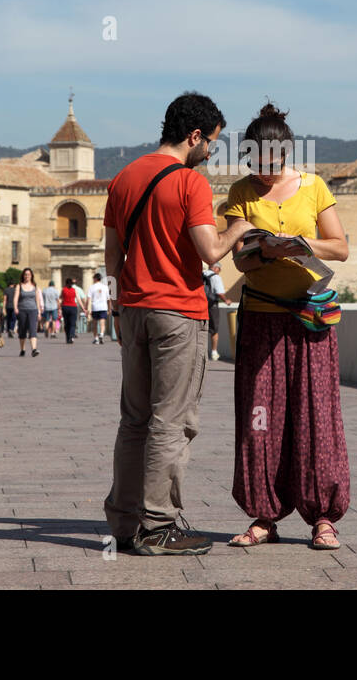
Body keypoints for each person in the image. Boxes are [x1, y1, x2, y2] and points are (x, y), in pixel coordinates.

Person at [102, 91, 255, 556]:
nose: (211, 152)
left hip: (133, 309)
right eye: (211, 142)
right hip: (178, 312)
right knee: (172, 422)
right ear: (193, 136)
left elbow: (112, 252)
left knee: (134, 420)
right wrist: (240, 228)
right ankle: (158, 525)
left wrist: (116, 303)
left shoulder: (125, 177)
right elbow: (210, 252)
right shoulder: (191, 184)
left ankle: (125, 522)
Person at [222, 103, 351, 550]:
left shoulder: (313, 187)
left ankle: (323, 518)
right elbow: (236, 255)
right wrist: (263, 254)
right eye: (253, 161)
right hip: (260, 317)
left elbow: (340, 248)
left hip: (310, 320)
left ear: (284, 153)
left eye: (268, 162)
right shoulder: (241, 192)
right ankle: (264, 516)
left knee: (317, 417)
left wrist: (301, 244)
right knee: (260, 419)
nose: (261, 170)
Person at [203, 262, 230, 361]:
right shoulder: (216, 277)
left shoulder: (202, 274)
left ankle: (201, 351)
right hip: (212, 305)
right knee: (214, 330)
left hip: (201, 305)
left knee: (202, 329)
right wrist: (226, 300)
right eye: (219, 269)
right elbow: (219, 292)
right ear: (216, 268)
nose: (220, 271)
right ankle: (214, 352)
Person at [15, 267, 42, 357]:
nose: (27, 276)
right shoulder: (19, 286)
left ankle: (34, 349)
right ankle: (22, 349)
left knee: (32, 329)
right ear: (23, 276)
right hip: (22, 310)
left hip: (33, 310)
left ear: (31, 276)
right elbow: (16, 297)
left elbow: (37, 299)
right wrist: (15, 307)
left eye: (29, 275)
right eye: (25, 274)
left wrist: (39, 311)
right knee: (22, 330)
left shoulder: (35, 286)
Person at [88, 272, 110, 344]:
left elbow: (89, 298)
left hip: (95, 307)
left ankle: (96, 338)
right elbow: (108, 299)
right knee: (102, 322)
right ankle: (101, 334)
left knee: (95, 323)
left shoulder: (92, 287)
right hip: (103, 307)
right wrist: (109, 308)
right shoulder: (105, 287)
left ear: (95, 279)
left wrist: (88, 308)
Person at [59, 277, 80, 344]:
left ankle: (68, 338)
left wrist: (59, 308)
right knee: (72, 324)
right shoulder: (74, 290)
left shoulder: (63, 290)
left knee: (67, 323)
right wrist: (84, 308)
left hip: (65, 307)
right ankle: (71, 336)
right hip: (73, 307)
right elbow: (79, 299)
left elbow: (60, 298)